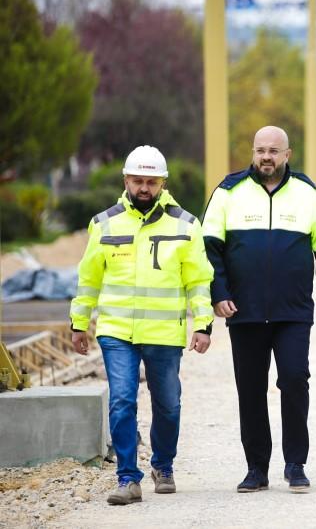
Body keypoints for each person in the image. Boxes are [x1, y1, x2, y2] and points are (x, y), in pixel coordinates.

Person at [202, 125, 316, 494]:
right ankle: (256, 468)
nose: (266, 157)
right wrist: (218, 293)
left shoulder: (308, 194)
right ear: (253, 153)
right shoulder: (227, 192)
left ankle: (296, 464)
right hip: (243, 311)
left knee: (295, 380)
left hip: (293, 312)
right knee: (250, 390)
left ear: (287, 155)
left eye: (274, 151)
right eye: (260, 150)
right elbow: (209, 250)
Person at [70, 145, 214, 506]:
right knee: (121, 401)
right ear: (126, 181)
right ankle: (127, 478)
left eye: (151, 181)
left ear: (163, 183)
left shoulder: (186, 225)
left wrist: (204, 324)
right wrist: (79, 322)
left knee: (168, 405)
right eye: (138, 181)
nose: (144, 188)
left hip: (164, 334)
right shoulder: (104, 224)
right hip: (117, 332)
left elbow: (198, 279)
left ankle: (162, 466)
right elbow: (88, 278)